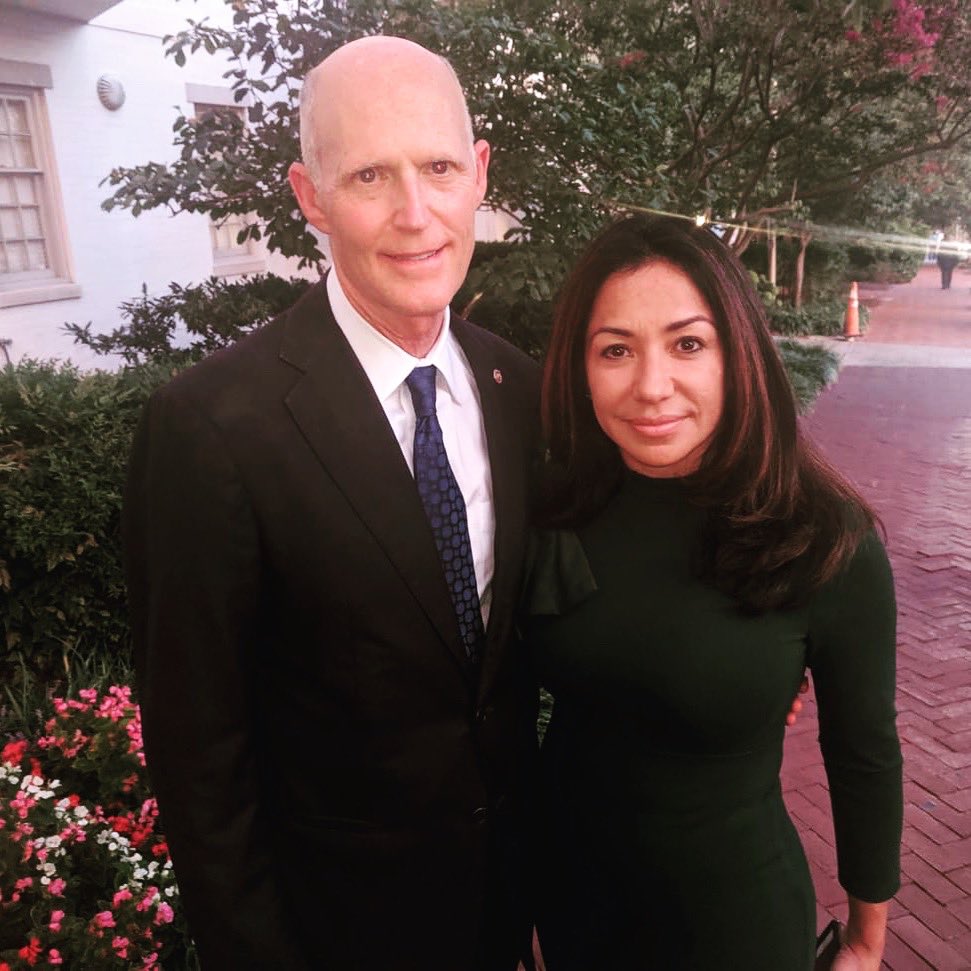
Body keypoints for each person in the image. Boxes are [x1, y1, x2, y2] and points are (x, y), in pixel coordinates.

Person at [123, 36, 541, 971]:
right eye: (368, 176)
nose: (414, 213)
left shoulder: (516, 386)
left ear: (479, 173)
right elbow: (199, 754)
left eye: (439, 168)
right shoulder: (211, 427)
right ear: (310, 196)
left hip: (500, 909)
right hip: (331, 933)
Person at [522, 214, 902, 970]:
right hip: (573, 917)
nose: (650, 386)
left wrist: (866, 937)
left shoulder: (821, 536)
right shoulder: (552, 502)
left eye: (687, 344)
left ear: (737, 353)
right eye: (616, 350)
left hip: (731, 926)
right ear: (579, 366)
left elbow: (862, 751)